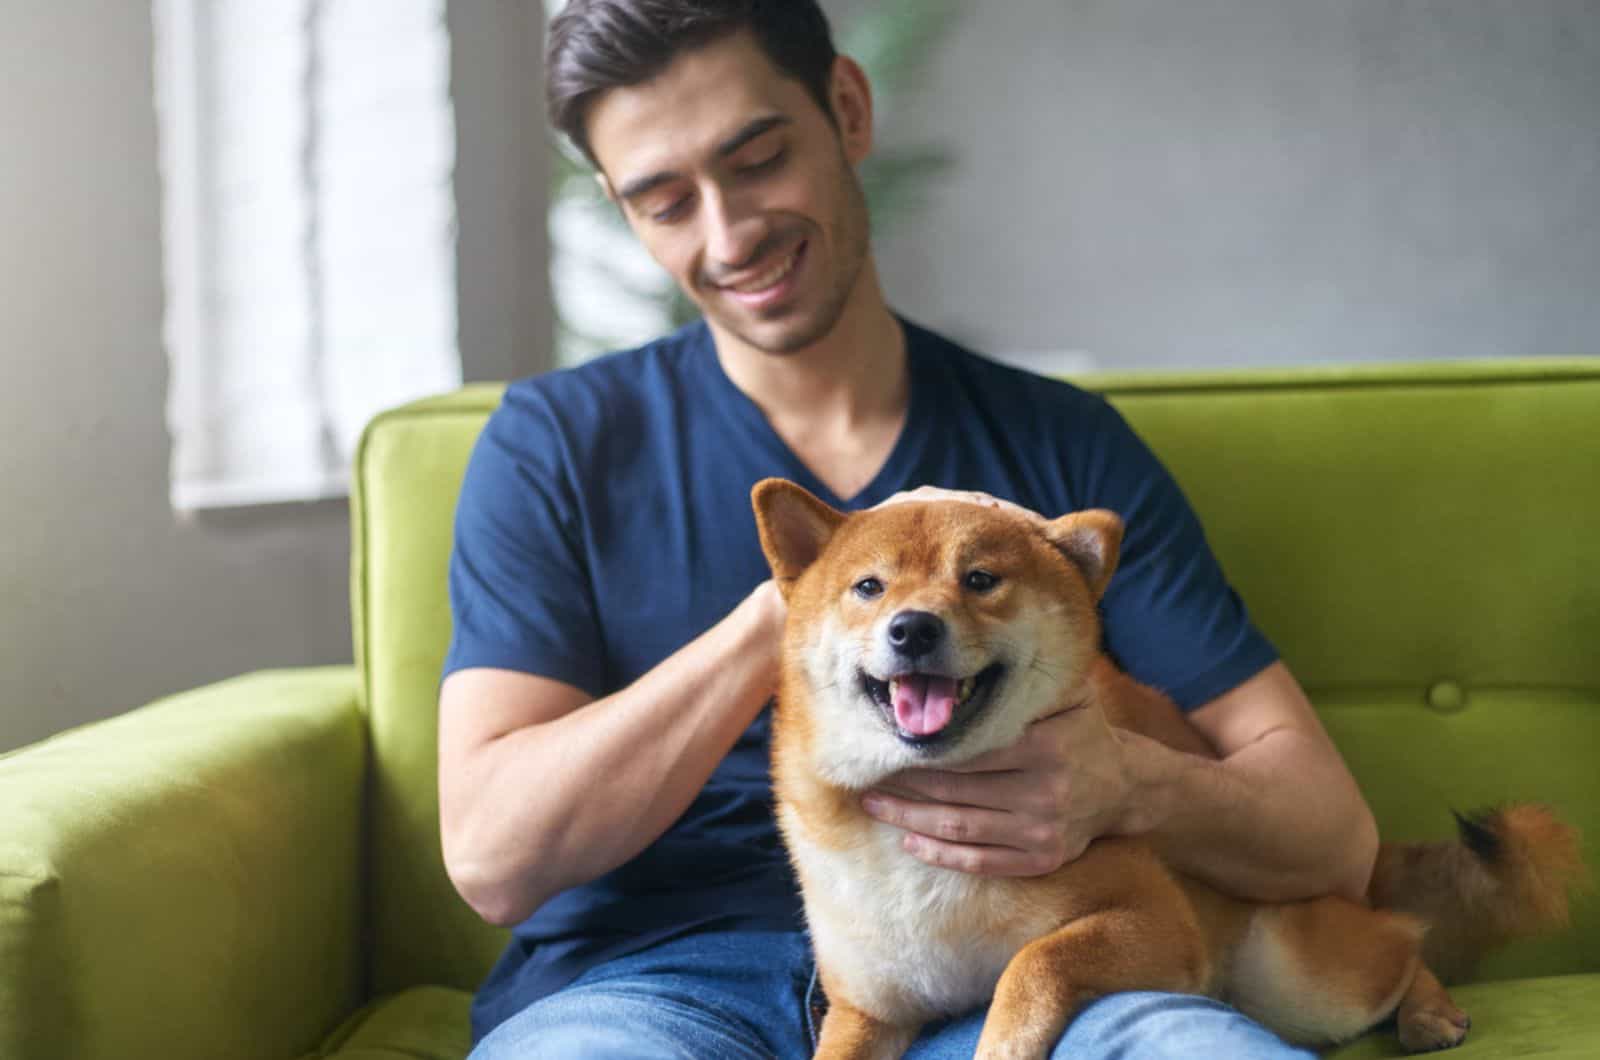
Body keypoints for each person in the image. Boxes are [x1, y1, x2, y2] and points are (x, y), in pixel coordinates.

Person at [438, 2, 1378, 1056]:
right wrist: (796, 612)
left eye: (757, 159)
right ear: (619, 208)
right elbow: (490, 855)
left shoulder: (1060, 448)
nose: (729, 232)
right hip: (651, 984)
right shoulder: (553, 447)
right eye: (664, 202)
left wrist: (1133, 781)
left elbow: (1332, 836)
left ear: (846, 108)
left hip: (1019, 971)